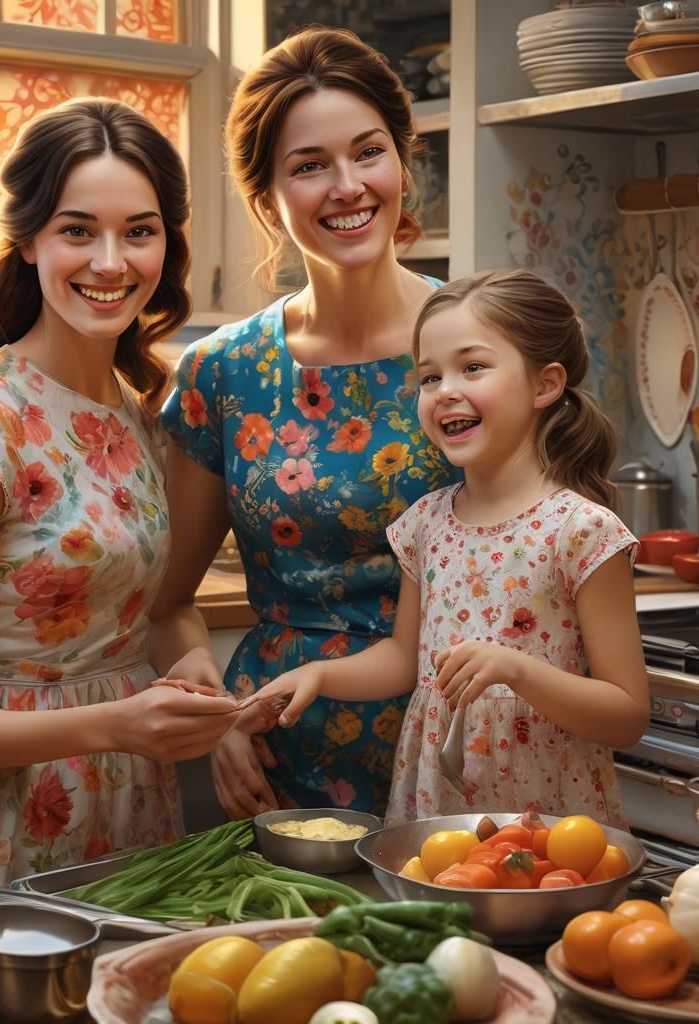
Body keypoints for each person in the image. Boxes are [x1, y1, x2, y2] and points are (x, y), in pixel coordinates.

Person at [0, 97, 239, 971]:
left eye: (138, 232)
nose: (111, 262)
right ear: (29, 241)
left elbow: (143, 614)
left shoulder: (136, 411)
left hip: (126, 822)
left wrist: (192, 673)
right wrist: (116, 725)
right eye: (78, 231)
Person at [148, 27, 458, 820]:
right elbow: (168, 604)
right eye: (310, 165)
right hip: (280, 760)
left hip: (463, 743)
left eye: (369, 152)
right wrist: (213, 714)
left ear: (402, 164)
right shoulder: (222, 372)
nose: (348, 186)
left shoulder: (483, 343)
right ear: (266, 199)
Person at [262, 269, 650, 826]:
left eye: (472, 367)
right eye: (429, 376)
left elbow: (628, 714)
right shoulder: (426, 524)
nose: (444, 390)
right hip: (435, 813)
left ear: (545, 385)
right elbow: (404, 660)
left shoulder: (582, 532)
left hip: (547, 822)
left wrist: (517, 671)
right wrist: (320, 675)